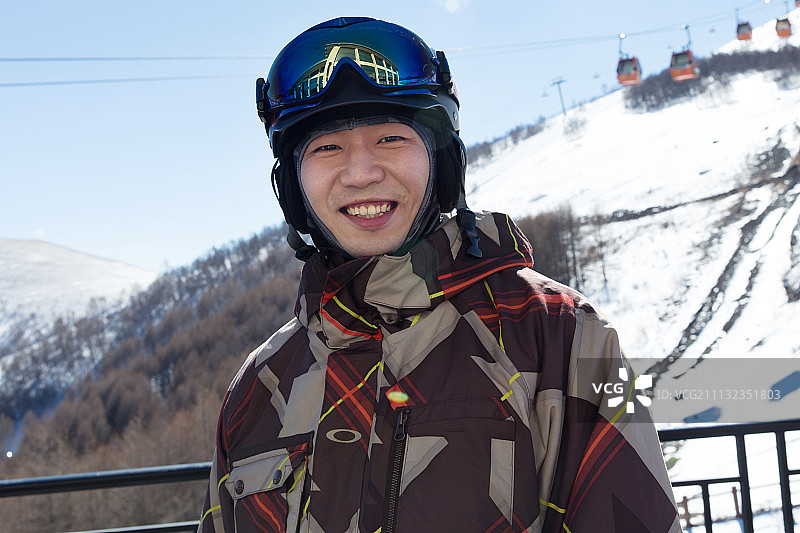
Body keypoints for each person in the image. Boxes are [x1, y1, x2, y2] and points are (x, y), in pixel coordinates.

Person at [198, 17, 680, 533]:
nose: (360, 173)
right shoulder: (260, 384)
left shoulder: (555, 336)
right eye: (326, 147)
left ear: (442, 162)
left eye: (390, 138)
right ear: (292, 186)